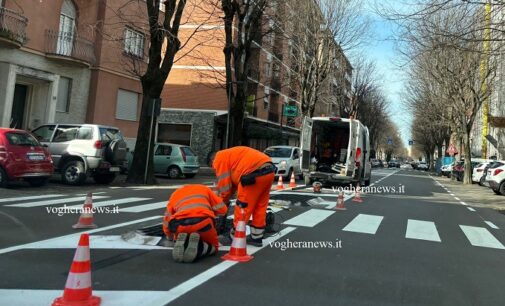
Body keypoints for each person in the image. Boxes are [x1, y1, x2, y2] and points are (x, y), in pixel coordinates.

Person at [209, 146, 275, 247]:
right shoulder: (231, 155)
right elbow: (234, 183)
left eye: (213, 167)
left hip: (252, 174)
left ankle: (234, 236)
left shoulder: (219, 159)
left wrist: (222, 202)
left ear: (212, 160)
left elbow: (225, 187)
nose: (215, 170)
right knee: (260, 206)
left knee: (243, 206)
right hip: (269, 170)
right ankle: (256, 238)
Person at [162, 184, 227, 263]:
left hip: (180, 225)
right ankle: (201, 247)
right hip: (203, 223)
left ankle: (184, 243)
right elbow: (223, 209)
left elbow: (167, 218)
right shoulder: (205, 189)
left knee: (180, 233)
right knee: (214, 247)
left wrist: (169, 235)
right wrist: (211, 209)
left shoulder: (175, 194)